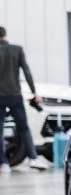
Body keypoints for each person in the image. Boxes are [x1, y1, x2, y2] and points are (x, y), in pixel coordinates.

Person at [0, 25, 50, 172]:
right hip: (15, 95)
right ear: (5, 35)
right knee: (24, 128)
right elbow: (26, 71)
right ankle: (33, 159)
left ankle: (4, 163)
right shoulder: (17, 49)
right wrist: (34, 92)